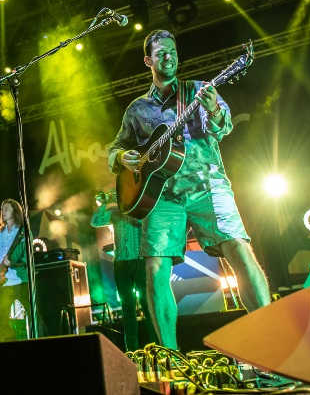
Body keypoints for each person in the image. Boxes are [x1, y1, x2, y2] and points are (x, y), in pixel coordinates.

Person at [108, 29, 270, 350]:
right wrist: (121, 157)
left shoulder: (199, 90)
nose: (168, 57)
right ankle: (171, 356)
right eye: (160, 53)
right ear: (148, 61)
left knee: (238, 249)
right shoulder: (137, 109)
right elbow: (117, 147)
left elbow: (223, 128)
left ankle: (272, 336)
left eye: (172, 51)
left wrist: (213, 110)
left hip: (208, 184)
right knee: (155, 267)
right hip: (162, 195)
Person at [91, 191, 157, 352]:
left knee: (147, 306)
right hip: (120, 263)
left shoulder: (139, 210)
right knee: (127, 308)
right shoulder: (114, 213)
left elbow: (142, 222)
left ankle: (159, 347)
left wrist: (126, 207)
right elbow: (95, 221)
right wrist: (105, 203)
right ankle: (132, 350)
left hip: (139, 261)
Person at [0, 198, 31, 341]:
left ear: (15, 211)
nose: (3, 211)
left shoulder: (23, 232)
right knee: (1, 319)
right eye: (2, 209)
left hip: (22, 280)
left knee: (33, 315)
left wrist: (13, 263)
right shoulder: (1, 233)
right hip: (5, 282)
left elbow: (27, 257)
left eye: (6, 209)